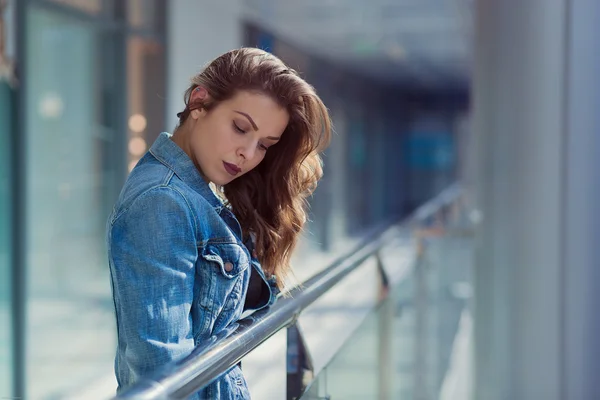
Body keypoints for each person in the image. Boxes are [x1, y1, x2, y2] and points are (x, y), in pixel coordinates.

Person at [106, 47, 331, 399]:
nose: (249, 154)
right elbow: (162, 371)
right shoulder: (162, 202)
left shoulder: (197, 195)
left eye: (265, 145)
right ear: (199, 102)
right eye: (240, 128)